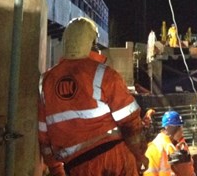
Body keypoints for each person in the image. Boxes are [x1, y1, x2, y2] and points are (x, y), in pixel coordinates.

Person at [38, 16, 148, 176]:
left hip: (76, 166)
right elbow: (130, 123)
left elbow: (44, 136)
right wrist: (139, 155)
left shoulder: (46, 82)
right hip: (114, 158)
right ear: (92, 44)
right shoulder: (104, 74)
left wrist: (56, 169)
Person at [144, 110, 195, 176]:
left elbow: (190, 171)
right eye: (177, 126)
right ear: (167, 127)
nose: (181, 129)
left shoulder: (182, 145)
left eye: (180, 126)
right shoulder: (155, 148)